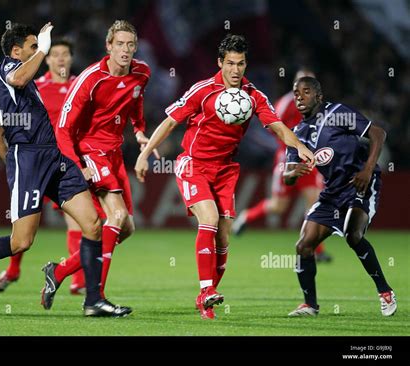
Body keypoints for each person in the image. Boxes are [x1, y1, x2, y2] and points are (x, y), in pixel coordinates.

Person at [0, 23, 130, 318]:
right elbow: (18, 79)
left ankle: (93, 301)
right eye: (33, 47)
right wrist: (16, 164)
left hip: (53, 157)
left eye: (38, 46)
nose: (38, 51)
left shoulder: (17, 87)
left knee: (94, 224)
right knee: (21, 242)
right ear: (16, 51)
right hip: (29, 159)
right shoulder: (9, 68)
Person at [134, 34, 315, 319]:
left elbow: (277, 126)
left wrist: (300, 145)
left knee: (223, 236)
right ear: (220, 63)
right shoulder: (202, 90)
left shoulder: (253, 95)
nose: (235, 70)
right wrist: (144, 155)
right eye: (230, 63)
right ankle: (206, 290)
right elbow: (170, 122)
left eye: (240, 63)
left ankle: (206, 298)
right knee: (209, 219)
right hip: (193, 164)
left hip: (225, 169)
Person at [40, 20, 157, 310]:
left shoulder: (142, 72)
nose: (126, 50)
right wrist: (77, 165)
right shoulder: (90, 79)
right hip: (91, 149)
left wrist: (139, 130)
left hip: (115, 154)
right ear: (109, 46)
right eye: (120, 44)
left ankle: (59, 271)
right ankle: (96, 299)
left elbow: (136, 101)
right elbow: (63, 129)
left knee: (127, 228)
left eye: (130, 44)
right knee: (115, 218)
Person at [285, 76, 396, 317]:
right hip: (332, 192)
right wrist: (293, 172)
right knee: (303, 245)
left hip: (360, 184)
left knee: (353, 235)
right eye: (296, 93)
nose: (299, 97)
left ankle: (385, 292)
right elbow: (287, 176)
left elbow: (378, 133)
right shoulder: (297, 133)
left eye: (305, 92)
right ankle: (310, 305)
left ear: (319, 96)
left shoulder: (337, 113)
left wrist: (367, 169)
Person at [0, 38, 87, 295]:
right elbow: (5, 117)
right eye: (55, 54)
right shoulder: (36, 85)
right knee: (23, 228)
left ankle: (77, 280)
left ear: (71, 58)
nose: (60, 59)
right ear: (47, 59)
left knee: (77, 223)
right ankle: (13, 270)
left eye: (65, 54)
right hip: (33, 161)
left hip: (61, 163)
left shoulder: (79, 86)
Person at [232, 69, 332, 262]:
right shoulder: (286, 103)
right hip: (288, 161)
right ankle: (247, 216)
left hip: (309, 161)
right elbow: (271, 126)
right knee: (279, 206)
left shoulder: (320, 106)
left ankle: (314, 249)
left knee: (314, 202)